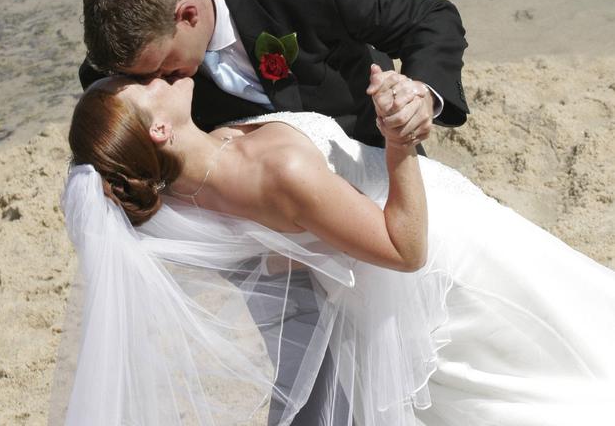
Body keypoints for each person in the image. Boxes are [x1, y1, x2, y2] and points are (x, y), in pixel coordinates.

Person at [54, 69, 615, 426]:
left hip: (383, 294)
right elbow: (405, 249)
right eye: (145, 87)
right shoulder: (279, 168)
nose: (157, 76)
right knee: (569, 362)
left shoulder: (181, 198)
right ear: (157, 132)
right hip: (449, 258)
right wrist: (399, 144)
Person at [79, 0, 469, 150]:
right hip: (264, 218)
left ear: (188, 16)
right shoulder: (116, 67)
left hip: (372, 147)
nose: (158, 84)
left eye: (163, 68)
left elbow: (428, 18)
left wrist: (421, 95)